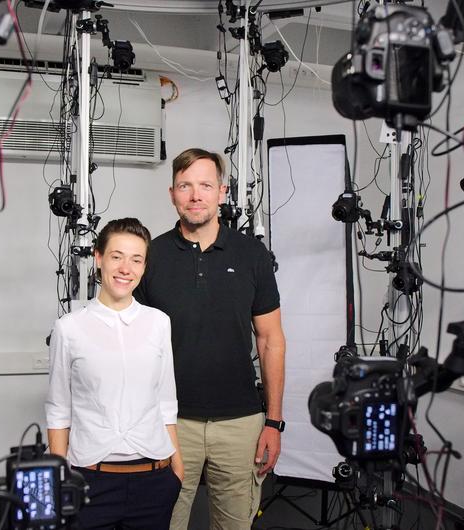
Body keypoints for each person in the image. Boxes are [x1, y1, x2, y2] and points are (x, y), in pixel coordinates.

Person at [134, 148, 286, 530]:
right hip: (170, 422)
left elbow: (271, 341)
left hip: (241, 423)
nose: (195, 195)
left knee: (234, 526)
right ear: (172, 194)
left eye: (205, 185)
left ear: (223, 191)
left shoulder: (252, 254)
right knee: (164, 522)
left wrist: (274, 422)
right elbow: (132, 345)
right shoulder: (151, 257)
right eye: (185, 186)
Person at [45, 217, 184, 529]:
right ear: (98, 258)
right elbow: (58, 409)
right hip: (90, 480)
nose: (126, 268)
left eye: (136, 259)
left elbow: (166, 401)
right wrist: (61, 476)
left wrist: (177, 467)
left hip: (155, 478)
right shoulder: (69, 328)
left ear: (144, 267)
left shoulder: (159, 322)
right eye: (117, 256)